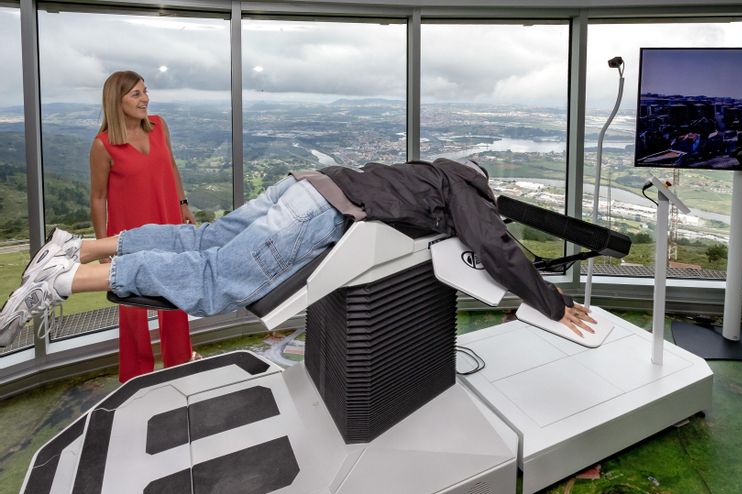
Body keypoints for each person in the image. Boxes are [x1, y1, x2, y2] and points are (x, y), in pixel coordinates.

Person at [0, 158, 596, 349]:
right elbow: (492, 244)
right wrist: (552, 302)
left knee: (204, 238)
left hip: (307, 184)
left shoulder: (425, 169)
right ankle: (62, 280)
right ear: (482, 183)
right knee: (216, 279)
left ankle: (76, 247)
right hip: (317, 213)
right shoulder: (466, 189)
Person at [90, 70, 197, 382]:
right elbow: (97, 198)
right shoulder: (103, 145)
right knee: (132, 309)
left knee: (175, 296)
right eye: (136, 94)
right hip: (129, 236)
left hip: (168, 224)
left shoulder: (159, 126)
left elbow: (171, 166)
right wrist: (102, 246)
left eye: (145, 92)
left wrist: (182, 204)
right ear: (116, 100)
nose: (145, 99)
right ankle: (137, 376)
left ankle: (179, 363)